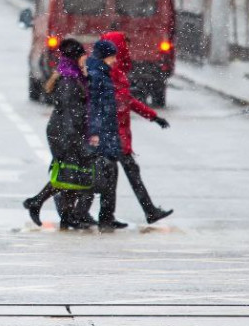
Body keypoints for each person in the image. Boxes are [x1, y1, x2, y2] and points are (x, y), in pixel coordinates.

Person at [22, 38, 96, 229]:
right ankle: (38, 202)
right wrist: (72, 139)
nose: (85, 60)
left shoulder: (74, 76)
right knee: (67, 173)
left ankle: (65, 214)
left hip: (69, 131)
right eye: (82, 57)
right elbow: (68, 111)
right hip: (64, 132)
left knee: (71, 174)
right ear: (75, 58)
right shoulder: (68, 80)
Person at [101, 31, 173, 225]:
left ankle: (108, 216)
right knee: (124, 173)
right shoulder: (110, 71)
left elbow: (127, 100)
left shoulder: (116, 69)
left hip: (117, 133)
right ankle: (146, 211)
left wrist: (153, 117)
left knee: (113, 175)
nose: (127, 50)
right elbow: (117, 101)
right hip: (113, 133)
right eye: (124, 46)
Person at [86, 40, 124, 230]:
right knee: (103, 173)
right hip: (102, 132)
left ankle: (105, 215)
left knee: (107, 172)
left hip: (106, 130)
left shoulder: (100, 72)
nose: (115, 60)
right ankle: (101, 216)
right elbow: (93, 105)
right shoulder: (97, 74)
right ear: (104, 56)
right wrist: (94, 131)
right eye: (112, 56)